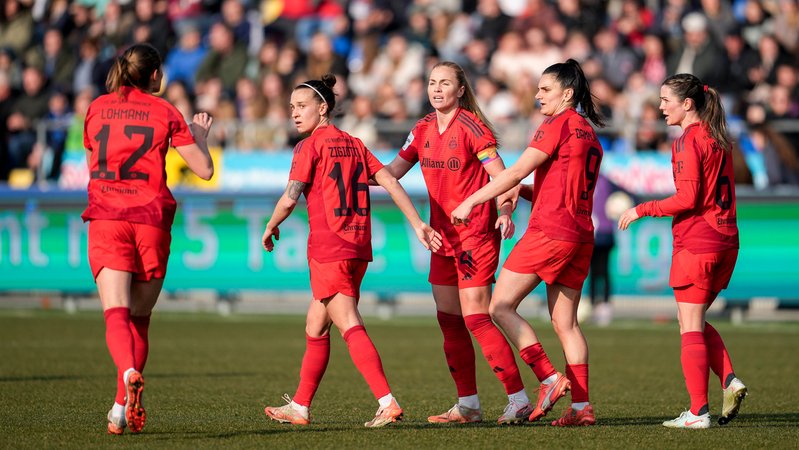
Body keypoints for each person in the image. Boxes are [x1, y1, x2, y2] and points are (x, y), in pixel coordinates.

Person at [261, 74, 441, 428]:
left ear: (323, 108)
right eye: (292, 108)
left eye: (301, 107)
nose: (294, 114)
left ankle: (387, 401)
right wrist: (417, 222)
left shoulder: (308, 147)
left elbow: (289, 197)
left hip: (330, 246)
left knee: (348, 324)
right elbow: (390, 179)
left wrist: (270, 226)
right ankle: (300, 405)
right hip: (358, 246)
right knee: (316, 326)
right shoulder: (354, 144)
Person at [451, 59, 605, 427]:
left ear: (567, 94)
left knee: (499, 306)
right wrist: (527, 191)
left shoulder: (557, 124)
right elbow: (564, 188)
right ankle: (582, 408)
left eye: (545, 89)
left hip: (550, 232)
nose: (537, 95)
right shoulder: (589, 132)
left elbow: (517, 169)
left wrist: (473, 200)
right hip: (581, 232)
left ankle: (549, 379)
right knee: (566, 323)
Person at [381, 61, 531, 425]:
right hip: (441, 236)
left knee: (476, 316)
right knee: (449, 320)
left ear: (460, 90)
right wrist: (352, 165)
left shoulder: (472, 128)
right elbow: (391, 172)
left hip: (475, 234)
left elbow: (505, 180)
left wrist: (504, 211)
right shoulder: (421, 130)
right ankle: (468, 405)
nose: (436, 89)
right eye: (432, 82)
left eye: (444, 83)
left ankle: (519, 398)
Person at [81, 43, 215, 435]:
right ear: (155, 75)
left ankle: (126, 374)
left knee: (116, 313)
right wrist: (199, 135)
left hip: (108, 216)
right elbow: (204, 170)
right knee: (140, 319)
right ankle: (120, 406)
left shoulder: (96, 108)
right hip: (152, 219)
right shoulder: (166, 112)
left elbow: (93, 153)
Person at [618, 73, 747, 429]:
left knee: (689, 326)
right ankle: (729, 380)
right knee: (693, 320)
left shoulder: (688, 139)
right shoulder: (719, 137)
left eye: (665, 100)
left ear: (686, 103)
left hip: (698, 241)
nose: (660, 107)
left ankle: (698, 412)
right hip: (726, 239)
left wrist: (641, 209)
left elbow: (687, 199)